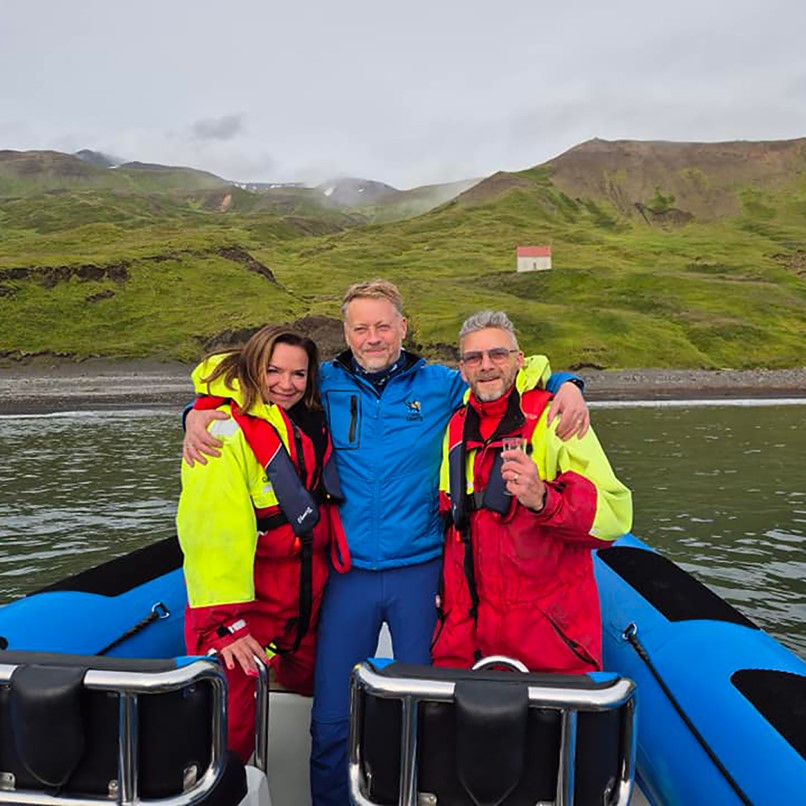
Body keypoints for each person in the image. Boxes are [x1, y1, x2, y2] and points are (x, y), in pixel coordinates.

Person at [182, 280, 590, 804]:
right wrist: (196, 409)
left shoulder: (443, 385)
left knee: (428, 704)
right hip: (347, 575)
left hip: (420, 571)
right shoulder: (320, 383)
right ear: (346, 333)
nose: (373, 337)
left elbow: (507, 376)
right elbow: (246, 383)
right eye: (360, 327)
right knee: (331, 715)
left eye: (383, 325)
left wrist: (568, 382)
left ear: (403, 327)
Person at [176, 325, 350, 763]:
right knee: (228, 737)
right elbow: (211, 528)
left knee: (318, 706)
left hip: (301, 604)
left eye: (298, 374)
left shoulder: (309, 417)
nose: (286, 385)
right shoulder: (221, 430)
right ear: (254, 367)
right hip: (242, 616)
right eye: (273, 371)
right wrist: (223, 623)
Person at [431, 310, 632, 674]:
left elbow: (614, 519)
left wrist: (544, 499)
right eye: (474, 358)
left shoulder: (559, 416)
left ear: (520, 360)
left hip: (549, 641)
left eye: (498, 354)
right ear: (462, 370)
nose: (486, 365)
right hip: (468, 638)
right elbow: (454, 525)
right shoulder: (456, 427)